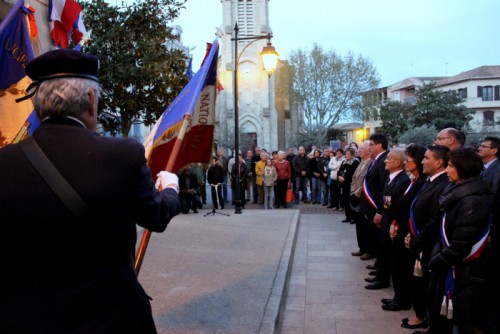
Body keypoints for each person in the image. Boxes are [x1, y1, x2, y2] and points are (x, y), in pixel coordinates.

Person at [0, 49, 181, 333]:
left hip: (27, 320)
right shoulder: (121, 155)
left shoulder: (5, 162)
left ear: (37, 103)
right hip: (109, 319)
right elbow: (156, 216)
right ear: (92, 101)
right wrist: (171, 187)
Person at [427, 148, 491, 334]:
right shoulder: (459, 193)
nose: (446, 170)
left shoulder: (471, 201)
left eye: (450, 166)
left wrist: (436, 260)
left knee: (464, 321)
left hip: (464, 271)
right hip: (450, 264)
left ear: (462, 168)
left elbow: (461, 245)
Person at [405, 145, 450, 334]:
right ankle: (423, 317)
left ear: (439, 162)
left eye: (426, 158)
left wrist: (417, 238)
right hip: (418, 237)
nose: (422, 161)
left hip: (428, 243)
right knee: (420, 284)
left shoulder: (442, 184)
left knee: (428, 286)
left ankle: (428, 322)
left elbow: (434, 219)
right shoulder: (429, 181)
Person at [388, 144, 428, 328]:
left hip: (410, 233)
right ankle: (399, 297)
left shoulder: (422, 183)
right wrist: (395, 223)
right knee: (398, 267)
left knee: (405, 269)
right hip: (401, 229)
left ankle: (403, 300)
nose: (405, 163)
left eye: (409, 160)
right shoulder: (414, 180)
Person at [365, 149, 410, 291]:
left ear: (397, 162)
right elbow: (385, 197)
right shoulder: (392, 178)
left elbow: (395, 203)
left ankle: (384, 279)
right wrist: (380, 212)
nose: (385, 160)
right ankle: (381, 276)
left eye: (388, 159)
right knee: (382, 250)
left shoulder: (402, 180)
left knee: (389, 254)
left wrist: (383, 213)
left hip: (391, 222)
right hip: (386, 219)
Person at [477, 136, 500, 334]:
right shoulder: (483, 168)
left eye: (484, 146)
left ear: (494, 151)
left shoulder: (497, 170)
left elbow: (492, 197)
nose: (480, 148)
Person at [359, 134, 389, 262]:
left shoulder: (382, 161)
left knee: (380, 241)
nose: (369, 147)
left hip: (376, 206)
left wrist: (380, 210)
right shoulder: (376, 160)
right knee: (375, 238)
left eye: (371, 145)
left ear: (379, 145)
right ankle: (378, 267)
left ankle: (381, 269)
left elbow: (385, 188)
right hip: (372, 207)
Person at [350, 141, 374, 258]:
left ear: (369, 150)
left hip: (363, 197)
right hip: (356, 196)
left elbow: (366, 181)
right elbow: (354, 178)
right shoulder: (361, 162)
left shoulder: (371, 163)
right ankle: (362, 247)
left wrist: (358, 191)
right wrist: (353, 192)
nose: (359, 151)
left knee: (365, 225)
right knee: (359, 224)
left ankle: (368, 250)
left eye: (362, 149)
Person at [338, 147, 360, 223]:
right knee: (346, 201)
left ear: (352, 155)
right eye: (346, 153)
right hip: (344, 185)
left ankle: (353, 217)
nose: (346, 155)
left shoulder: (355, 162)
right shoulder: (344, 162)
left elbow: (354, 174)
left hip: (351, 185)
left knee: (351, 201)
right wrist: (339, 177)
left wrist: (345, 178)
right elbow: (339, 170)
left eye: (348, 154)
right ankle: (347, 216)